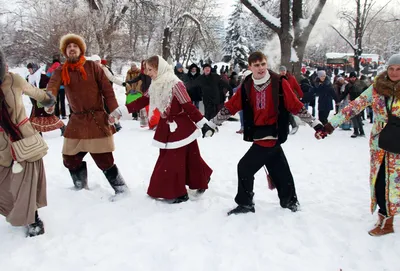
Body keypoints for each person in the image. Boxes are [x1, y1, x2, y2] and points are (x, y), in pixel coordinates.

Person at [202, 51, 326, 215]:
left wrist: (316, 124)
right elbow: (231, 106)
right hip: (258, 133)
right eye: (256, 65)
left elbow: (296, 105)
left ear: (266, 64)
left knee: (245, 167)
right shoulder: (247, 84)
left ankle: (246, 203)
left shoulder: (279, 82)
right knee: (278, 167)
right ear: (250, 67)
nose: (260, 68)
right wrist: (212, 123)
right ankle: (290, 201)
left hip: (273, 133)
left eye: (263, 64)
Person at [317, 53, 400, 237]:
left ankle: (388, 221)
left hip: (398, 146)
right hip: (380, 143)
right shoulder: (377, 88)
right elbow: (354, 106)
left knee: (393, 183)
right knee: (379, 180)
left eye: (398, 69)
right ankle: (383, 217)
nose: (394, 72)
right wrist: (331, 125)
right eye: (391, 69)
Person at [46, 33, 128, 197]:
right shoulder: (62, 70)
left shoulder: (92, 66)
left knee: (104, 160)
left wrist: (113, 110)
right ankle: (80, 188)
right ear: (65, 51)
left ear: (81, 49)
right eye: (68, 47)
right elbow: (52, 87)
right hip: (76, 120)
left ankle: (121, 190)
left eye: (75, 46)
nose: (72, 49)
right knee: (70, 158)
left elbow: (107, 90)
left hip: (96, 119)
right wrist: (49, 102)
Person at [126, 55, 212, 203]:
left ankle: (179, 192)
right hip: (167, 126)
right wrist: (121, 110)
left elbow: (188, 105)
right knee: (190, 157)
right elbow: (144, 99)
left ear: (159, 68)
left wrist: (203, 123)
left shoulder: (175, 84)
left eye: (150, 69)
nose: (148, 73)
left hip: (181, 127)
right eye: (146, 69)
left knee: (172, 160)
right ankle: (201, 177)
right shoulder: (155, 84)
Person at [0, 48, 56, 236]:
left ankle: (32, 217)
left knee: (26, 181)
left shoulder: (13, 79)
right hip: (1, 145)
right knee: (4, 184)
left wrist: (48, 100)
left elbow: (35, 92)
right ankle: (17, 212)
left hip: (23, 138)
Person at [91, 55, 124, 132]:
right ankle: (100, 125)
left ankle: (116, 123)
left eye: (97, 62)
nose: (96, 64)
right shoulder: (90, 70)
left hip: (104, 91)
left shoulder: (103, 68)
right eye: (94, 62)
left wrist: (122, 83)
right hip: (95, 93)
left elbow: (112, 78)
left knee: (108, 107)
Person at [279, 65, 304, 135]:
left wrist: (301, 95)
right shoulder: (278, 79)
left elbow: (297, 87)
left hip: (290, 99)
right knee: (285, 114)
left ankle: (294, 125)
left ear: (286, 71)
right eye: (281, 71)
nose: (282, 72)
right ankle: (286, 129)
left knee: (288, 113)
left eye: (283, 71)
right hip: (282, 100)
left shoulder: (291, 78)